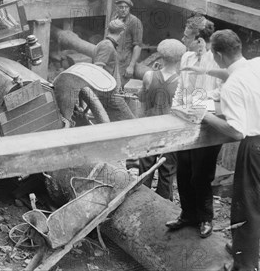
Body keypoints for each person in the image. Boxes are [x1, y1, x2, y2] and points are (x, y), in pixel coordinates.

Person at [199, 30, 260, 271]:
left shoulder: (232, 86)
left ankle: (244, 265)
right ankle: (244, 245)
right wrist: (205, 71)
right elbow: (234, 70)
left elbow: (236, 131)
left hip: (258, 145)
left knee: (247, 206)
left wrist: (204, 115)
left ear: (217, 54)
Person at [166, 16, 223, 238]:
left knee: (202, 174)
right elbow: (181, 85)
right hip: (187, 119)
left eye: (187, 36)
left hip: (209, 123)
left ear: (199, 40)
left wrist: (200, 100)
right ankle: (188, 214)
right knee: (184, 170)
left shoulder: (217, 60)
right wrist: (177, 105)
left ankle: (205, 217)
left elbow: (223, 90)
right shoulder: (187, 57)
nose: (182, 39)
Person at [138, 39, 186, 201]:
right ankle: (165, 203)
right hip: (171, 131)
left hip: (150, 127)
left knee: (146, 167)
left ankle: (141, 200)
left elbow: (141, 98)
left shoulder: (149, 75)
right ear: (179, 59)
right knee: (167, 170)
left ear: (161, 56)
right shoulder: (182, 82)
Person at [92, 18, 137, 123]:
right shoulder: (107, 46)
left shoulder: (105, 44)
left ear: (108, 29)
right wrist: (109, 91)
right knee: (131, 122)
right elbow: (98, 69)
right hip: (110, 95)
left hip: (109, 94)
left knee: (112, 122)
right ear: (121, 33)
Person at [112, 0, 143, 88]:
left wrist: (131, 66)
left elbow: (138, 46)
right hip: (113, 60)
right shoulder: (114, 18)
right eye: (121, 7)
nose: (124, 10)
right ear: (116, 8)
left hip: (124, 62)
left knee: (121, 88)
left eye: (126, 7)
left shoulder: (135, 22)